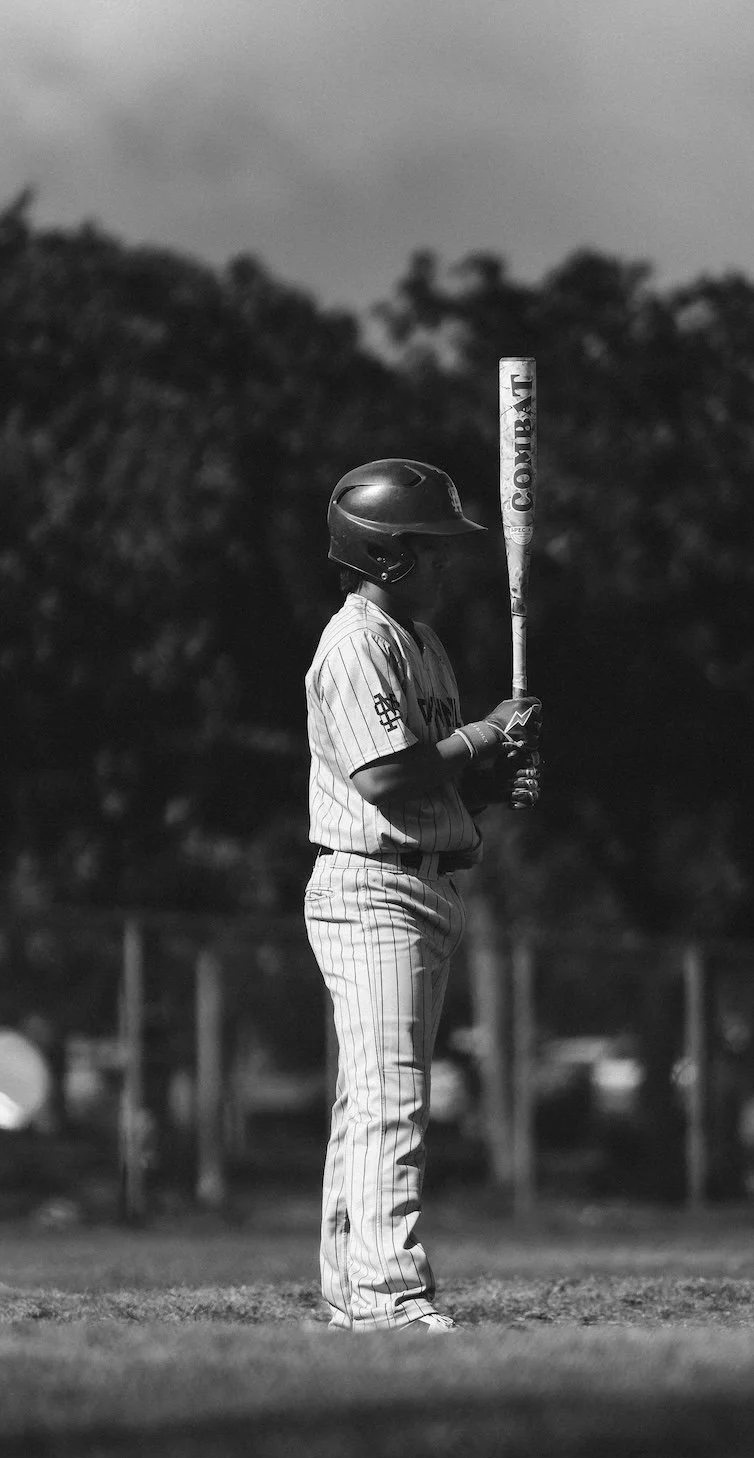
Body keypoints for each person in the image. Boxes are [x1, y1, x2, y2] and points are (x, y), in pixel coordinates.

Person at [304, 458, 541, 1333]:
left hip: (423, 881)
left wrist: (492, 778)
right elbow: (384, 776)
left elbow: (429, 786)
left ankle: (350, 1291)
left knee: (370, 1099)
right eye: (430, 545)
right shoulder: (356, 642)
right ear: (386, 553)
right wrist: (481, 737)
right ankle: (387, 1297)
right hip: (372, 886)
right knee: (392, 1097)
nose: (446, 560)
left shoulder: (420, 642)